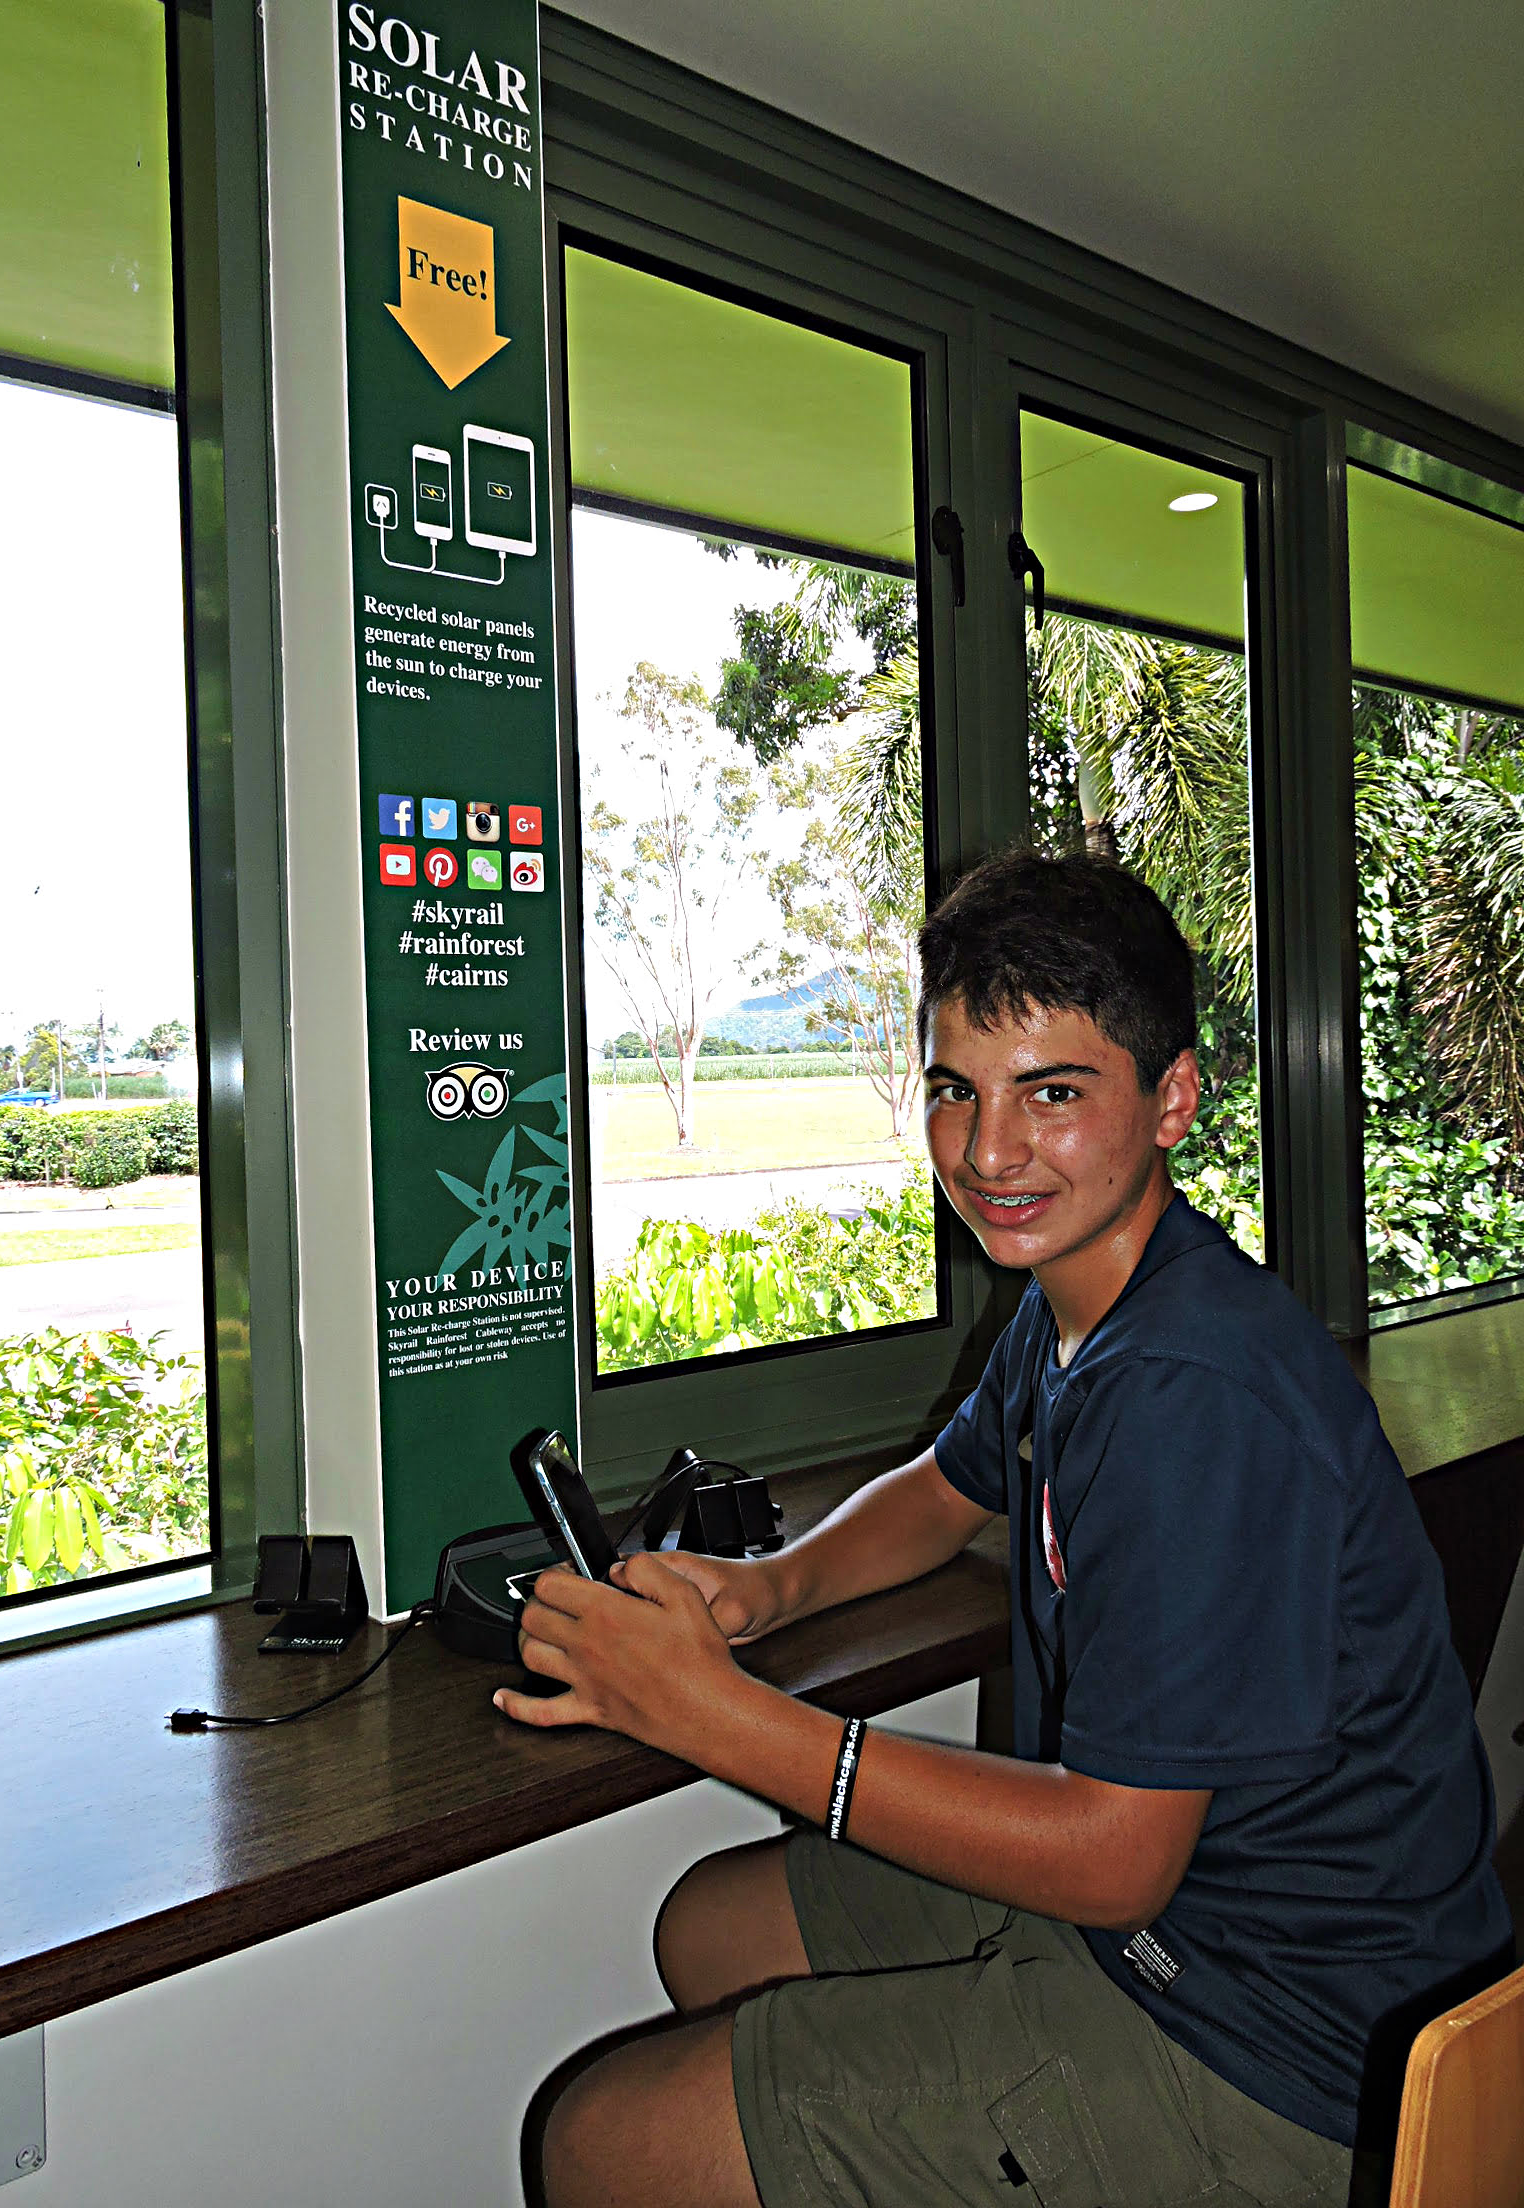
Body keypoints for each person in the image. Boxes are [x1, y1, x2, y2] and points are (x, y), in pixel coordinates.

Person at [497, 850, 1513, 2208]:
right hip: (1178, 1931)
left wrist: (711, 1717)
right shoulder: (1085, 1298)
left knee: (601, 2140)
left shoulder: (1193, 1395)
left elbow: (1109, 1857)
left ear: (1172, 1100)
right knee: (711, 1926)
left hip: (1282, 2056)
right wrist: (764, 1594)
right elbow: (948, 1484)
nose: (987, 1153)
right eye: (954, 1092)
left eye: (1052, 1094)